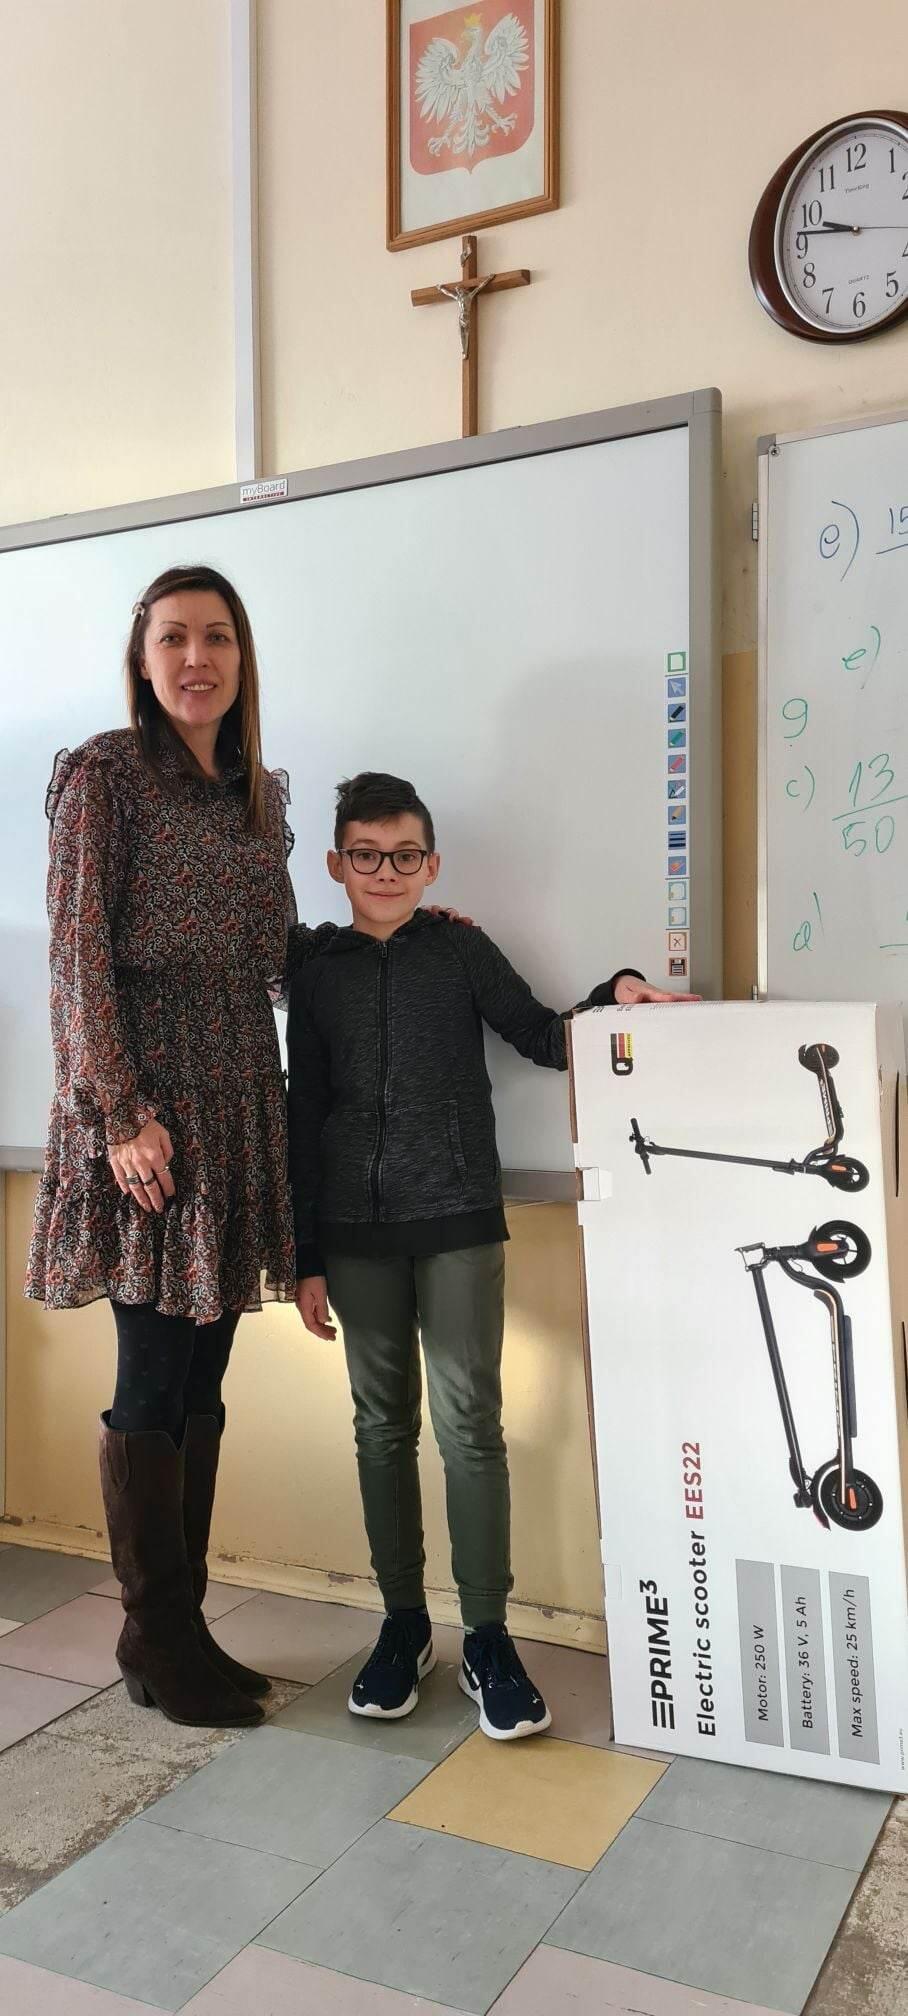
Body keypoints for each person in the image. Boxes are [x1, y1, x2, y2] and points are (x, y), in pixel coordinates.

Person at [288, 771, 692, 1740]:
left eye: (405, 855)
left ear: (432, 864)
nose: (386, 872)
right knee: (379, 1428)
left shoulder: (460, 948)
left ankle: (486, 1636)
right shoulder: (315, 969)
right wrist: (302, 1253)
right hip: (353, 1231)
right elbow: (302, 1112)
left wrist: (612, 1000)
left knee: (470, 1424)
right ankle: (402, 1626)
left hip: (460, 1217)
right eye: (366, 855)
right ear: (336, 864)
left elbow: (541, 1036)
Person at [25, 564, 334, 1731]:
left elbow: (276, 956)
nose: (196, 658)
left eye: (216, 638)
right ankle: (150, 1635)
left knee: (204, 1375)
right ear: (143, 658)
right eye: (173, 638)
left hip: (238, 1099)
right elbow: (75, 951)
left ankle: (185, 1626)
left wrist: (391, 934)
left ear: (241, 658)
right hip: (147, 1116)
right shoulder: (104, 777)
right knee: (152, 1375)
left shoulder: (255, 794)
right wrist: (118, 1114)